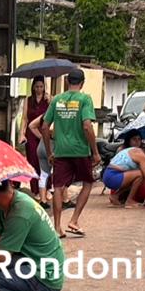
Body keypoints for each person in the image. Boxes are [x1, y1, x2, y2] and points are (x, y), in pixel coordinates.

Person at [43, 69, 99, 238]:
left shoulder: (57, 100)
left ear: (67, 81)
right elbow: (87, 126)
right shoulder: (85, 99)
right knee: (87, 183)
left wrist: (49, 152)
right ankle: (74, 220)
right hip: (80, 150)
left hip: (60, 151)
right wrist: (95, 152)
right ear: (82, 83)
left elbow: (44, 126)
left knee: (58, 187)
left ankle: (57, 227)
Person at [102, 128, 145, 207]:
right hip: (114, 177)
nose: (137, 141)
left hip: (107, 176)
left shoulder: (125, 150)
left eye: (139, 139)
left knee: (137, 175)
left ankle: (115, 196)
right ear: (129, 140)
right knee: (141, 174)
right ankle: (129, 200)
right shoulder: (139, 153)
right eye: (134, 139)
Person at [23, 77, 50, 198]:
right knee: (33, 160)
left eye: (41, 87)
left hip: (44, 132)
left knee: (45, 160)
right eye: (37, 87)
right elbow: (25, 119)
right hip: (31, 133)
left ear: (44, 87)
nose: (39, 89)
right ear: (33, 87)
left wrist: (50, 100)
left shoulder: (48, 99)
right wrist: (21, 134)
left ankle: (46, 187)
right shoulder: (28, 100)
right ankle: (35, 190)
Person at [27, 112, 54, 206]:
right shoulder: (59, 115)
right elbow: (53, 130)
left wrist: (42, 137)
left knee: (43, 175)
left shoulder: (45, 115)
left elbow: (31, 125)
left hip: (41, 146)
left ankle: (43, 200)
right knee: (59, 174)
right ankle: (64, 199)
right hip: (52, 147)